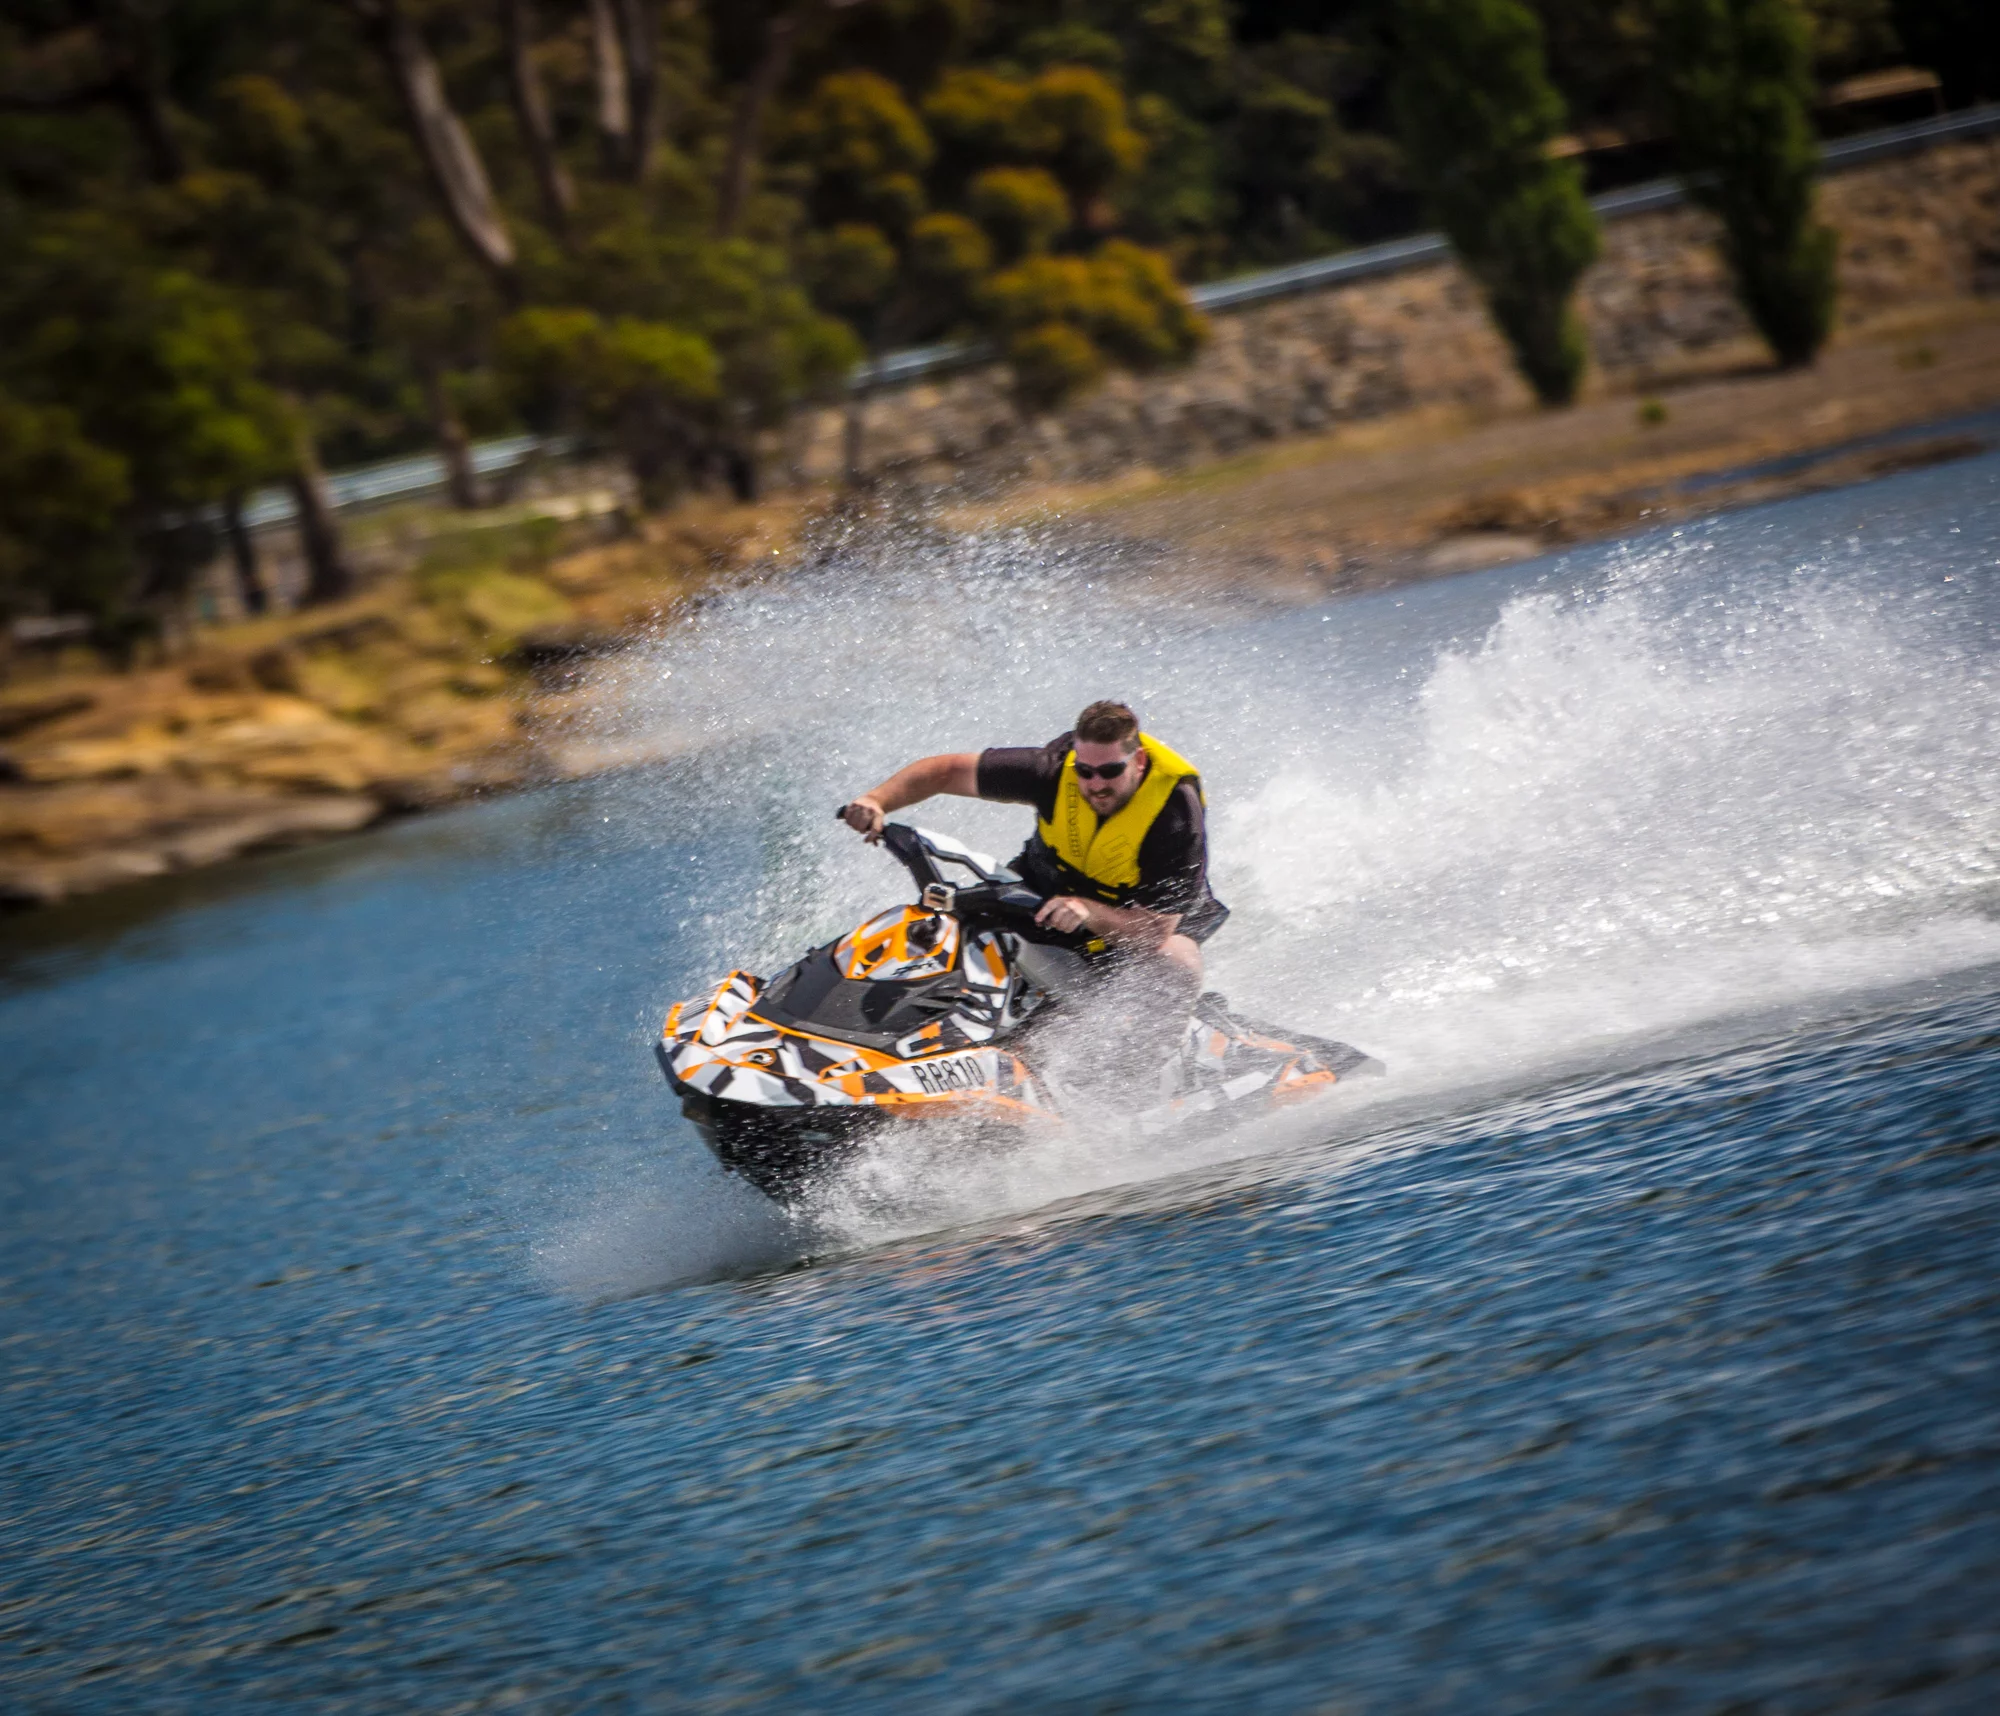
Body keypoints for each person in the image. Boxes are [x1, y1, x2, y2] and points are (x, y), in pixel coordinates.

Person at [839, 700, 1227, 989]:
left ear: (1138, 762)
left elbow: (1154, 931)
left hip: (1138, 920)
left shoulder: (1175, 814)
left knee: (1176, 962)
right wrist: (877, 800)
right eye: (1085, 771)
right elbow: (944, 771)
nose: (1095, 784)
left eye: (1110, 771)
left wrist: (1087, 911)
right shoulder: (1052, 770)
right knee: (944, 930)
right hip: (1047, 892)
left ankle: (1134, 1080)